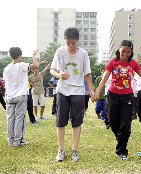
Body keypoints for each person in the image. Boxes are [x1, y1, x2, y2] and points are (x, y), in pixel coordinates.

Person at [92, 40, 141, 161]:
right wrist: (97, 92)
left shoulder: (133, 63)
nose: (125, 54)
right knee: (113, 123)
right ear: (119, 50)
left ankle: (122, 150)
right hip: (113, 95)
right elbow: (104, 79)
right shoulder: (113, 62)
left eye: (128, 51)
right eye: (123, 51)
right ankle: (122, 138)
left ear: (131, 52)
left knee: (125, 124)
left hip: (128, 97)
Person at [50, 27, 94, 162]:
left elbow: (87, 74)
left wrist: (92, 91)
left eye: (73, 43)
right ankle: (61, 149)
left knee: (76, 122)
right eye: (68, 42)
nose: (71, 45)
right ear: (65, 40)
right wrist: (59, 75)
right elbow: (53, 70)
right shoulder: (60, 51)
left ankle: (74, 150)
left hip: (78, 91)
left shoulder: (83, 54)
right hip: (63, 90)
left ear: (78, 40)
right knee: (60, 121)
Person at [3, 47, 39, 146]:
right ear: (20, 56)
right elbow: (35, 66)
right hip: (20, 95)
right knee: (20, 118)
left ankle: (10, 140)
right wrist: (33, 56)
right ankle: (18, 141)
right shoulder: (22, 65)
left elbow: (5, 83)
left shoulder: (6, 68)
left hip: (9, 96)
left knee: (10, 118)